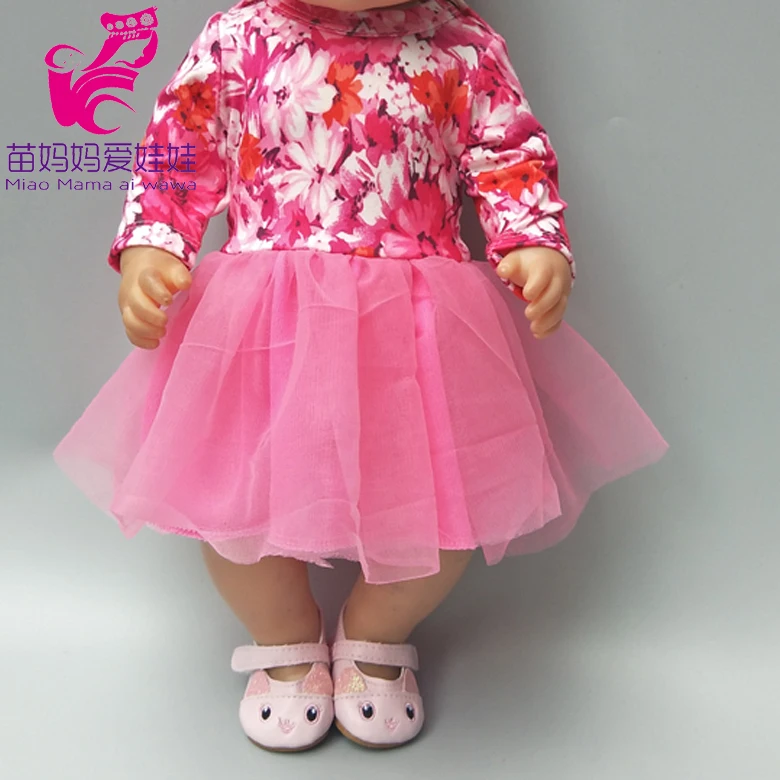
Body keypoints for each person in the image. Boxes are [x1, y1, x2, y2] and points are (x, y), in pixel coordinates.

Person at [54, 0, 668, 753]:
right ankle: (282, 635)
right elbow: (178, 144)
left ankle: (376, 629)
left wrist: (533, 239)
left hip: (417, 327)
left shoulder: (462, 44)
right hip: (265, 326)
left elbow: (510, 153)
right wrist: (154, 243)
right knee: (234, 503)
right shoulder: (239, 36)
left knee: (443, 507)